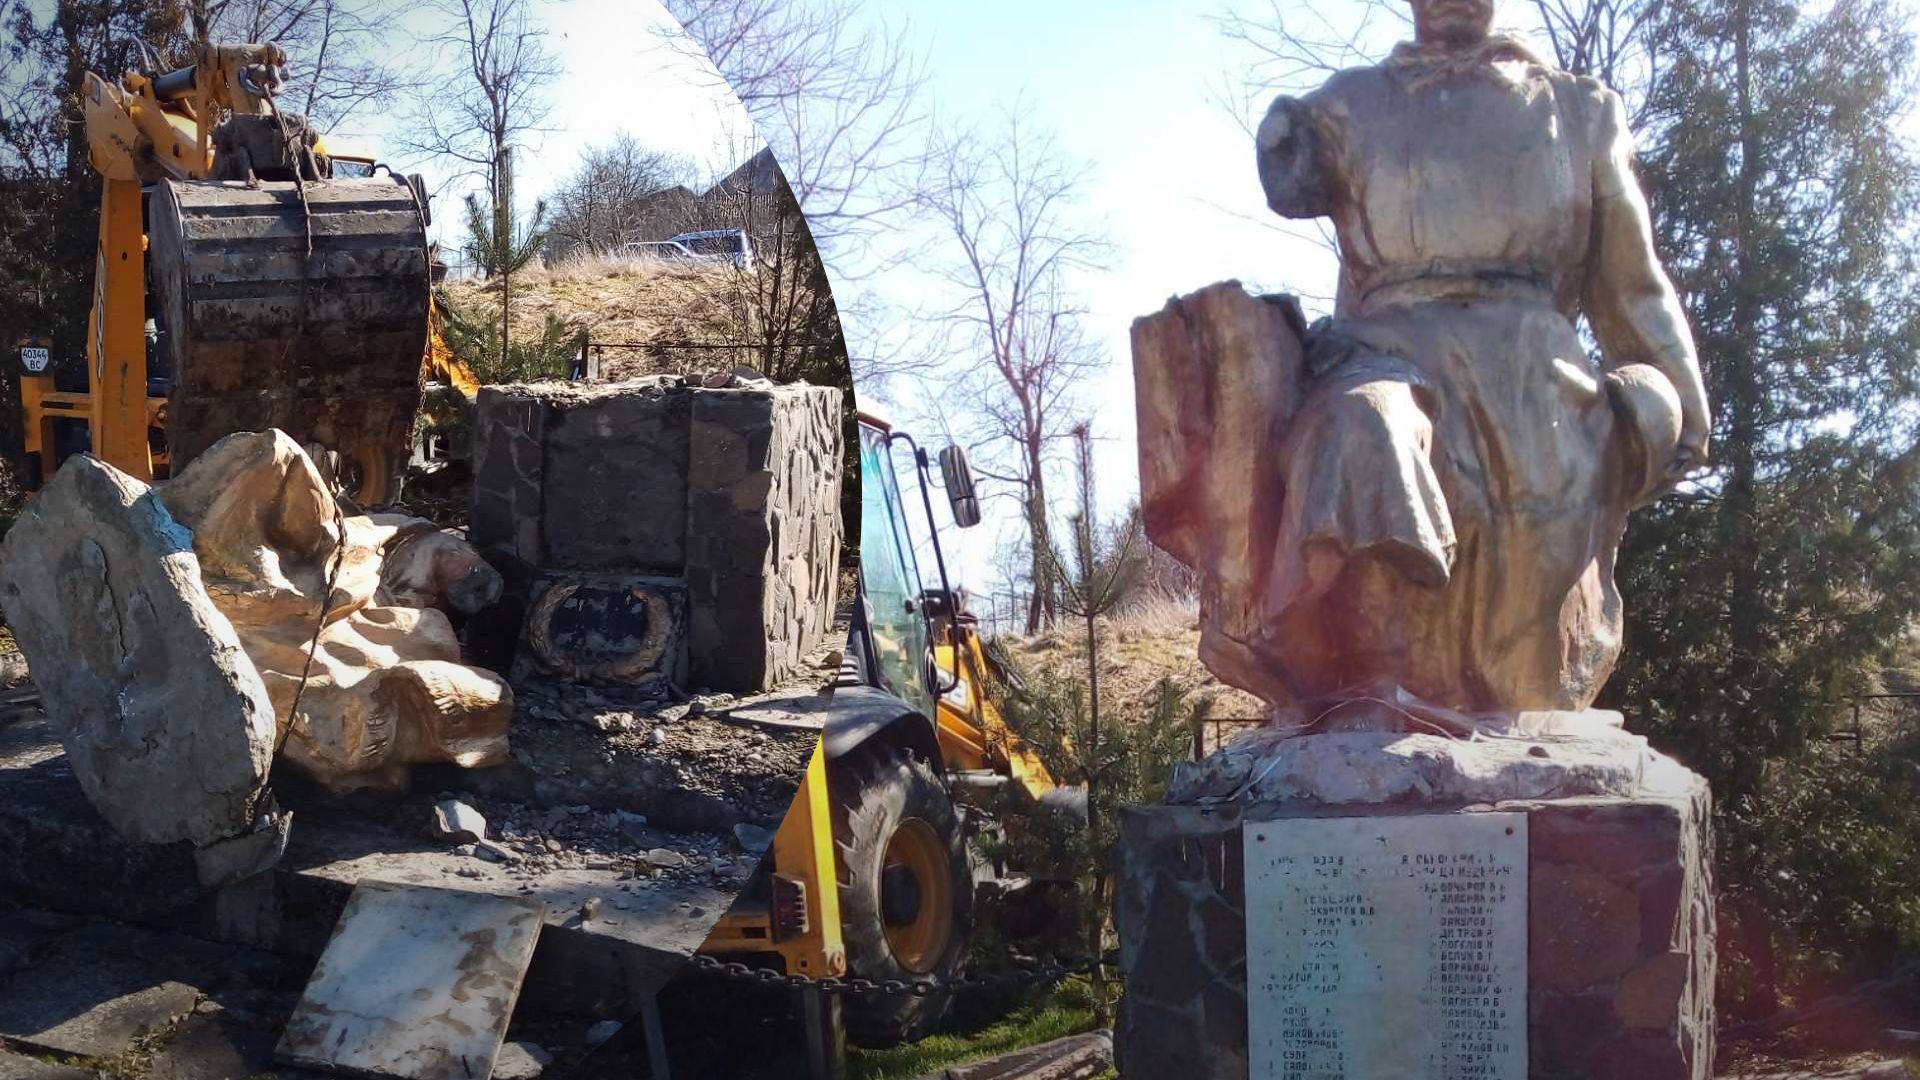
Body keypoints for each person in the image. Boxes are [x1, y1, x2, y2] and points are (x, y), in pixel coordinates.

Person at [1248, 0, 1711, 720]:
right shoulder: (1348, 104)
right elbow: (1290, 183)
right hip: (1382, 356)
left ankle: (1488, 703)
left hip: (1534, 377)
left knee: (1536, 560)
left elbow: (1632, 281)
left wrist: (1678, 395)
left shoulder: (1578, 110)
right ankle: (1367, 693)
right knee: (1357, 427)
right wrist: (1285, 137)